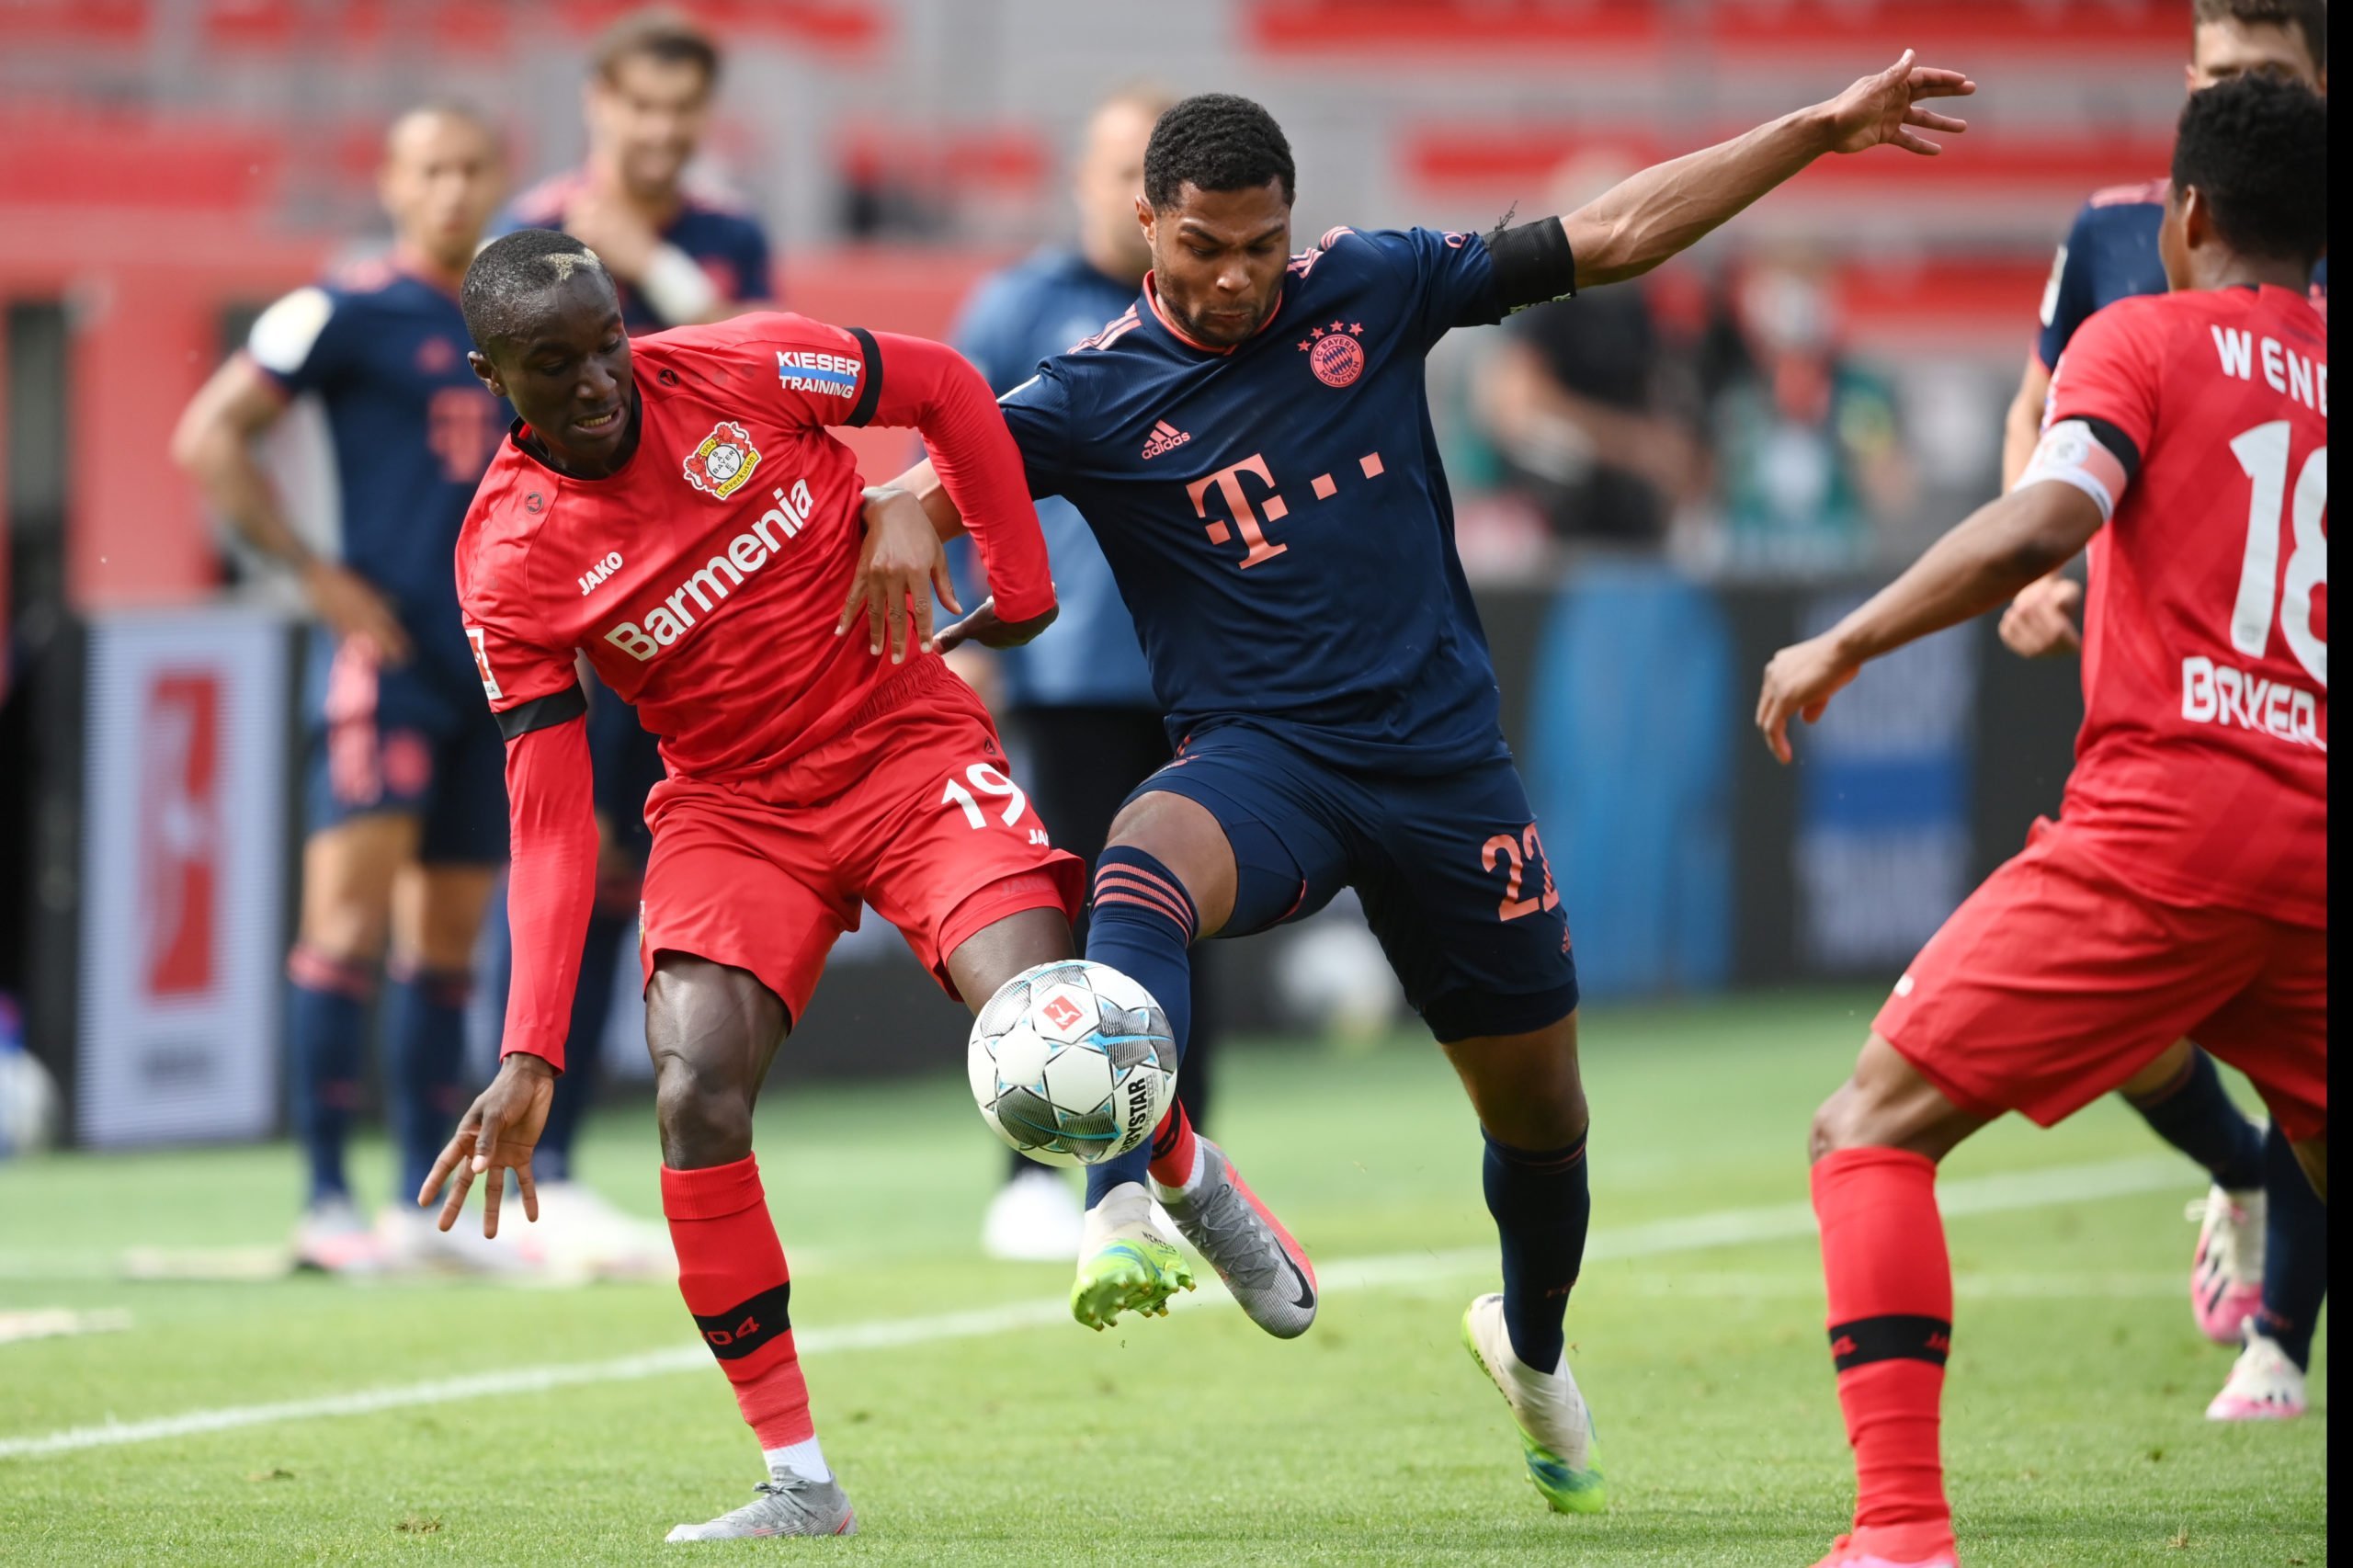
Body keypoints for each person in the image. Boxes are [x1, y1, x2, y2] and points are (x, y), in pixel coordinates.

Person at [890, 58, 1975, 1514]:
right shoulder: (1088, 395)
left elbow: (1614, 236)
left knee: (1542, 1124)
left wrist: (1818, 128)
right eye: (1202, 247)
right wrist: (902, 509)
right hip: (1265, 764)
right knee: (1136, 862)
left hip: (1447, 770)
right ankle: (1131, 1198)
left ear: (1295, 224)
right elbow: (924, 482)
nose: (1234, 279)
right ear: (1146, 225)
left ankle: (1531, 1349)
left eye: (1260, 245)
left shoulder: (1372, 287)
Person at [422, 231, 1083, 1540]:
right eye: (554, 364)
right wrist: (531, 1049)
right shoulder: (510, 559)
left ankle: (1180, 1169)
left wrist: (1022, 588)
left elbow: (948, 382)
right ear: (495, 377)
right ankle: (800, 1479)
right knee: (694, 1086)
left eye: (606, 337)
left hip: (899, 740)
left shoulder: (737, 363)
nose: (599, 376)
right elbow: (551, 824)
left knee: (1045, 1031)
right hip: (736, 810)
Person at [1756, 75, 2325, 1568]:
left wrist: (1849, 638)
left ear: (2185, 216)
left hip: (2168, 831)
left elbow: (2047, 517)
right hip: (2321, 856)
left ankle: (1899, 1534)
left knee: (1867, 1132)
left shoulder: (2137, 335)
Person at [1994, 0, 2326, 1422]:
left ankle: (2280, 1342)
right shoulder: (2117, 230)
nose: (2231, 93)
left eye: (2262, 75)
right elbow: (2039, 407)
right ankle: (2241, 1171)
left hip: (2296, 691)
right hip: (2159, 698)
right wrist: (2033, 551)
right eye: (2213, 73)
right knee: (2130, 1025)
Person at [172, 104, 514, 1275]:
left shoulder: (521, 316)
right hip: (388, 669)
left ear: (498, 177)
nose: (452, 189)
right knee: (346, 926)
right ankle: (324, 1195)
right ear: (389, 180)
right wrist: (317, 578)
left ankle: (422, 1210)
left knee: (451, 941)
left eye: (472, 167)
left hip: (499, 671)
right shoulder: (344, 307)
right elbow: (211, 434)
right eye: (431, 169)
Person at [488, 6, 779, 1273]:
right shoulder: (536, 230)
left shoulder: (721, 233)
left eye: (683, 111)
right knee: (560, 860)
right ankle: (529, 1155)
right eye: (641, 108)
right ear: (601, 103)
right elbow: (530, 399)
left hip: (703, 605)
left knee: (638, 875)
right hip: (581, 598)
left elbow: (751, 364)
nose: (662, 132)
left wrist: (649, 271)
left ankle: (581, 1149)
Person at [947, 83, 1223, 1264]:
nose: (1134, 195)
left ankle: (1169, 1165)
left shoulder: (1217, 306)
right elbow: (948, 471)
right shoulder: (1019, 304)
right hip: (1065, 663)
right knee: (1053, 920)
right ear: (1086, 182)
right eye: (1119, 171)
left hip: (1202, 667)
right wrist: (962, 646)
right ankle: (1028, 1165)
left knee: (1177, 925)